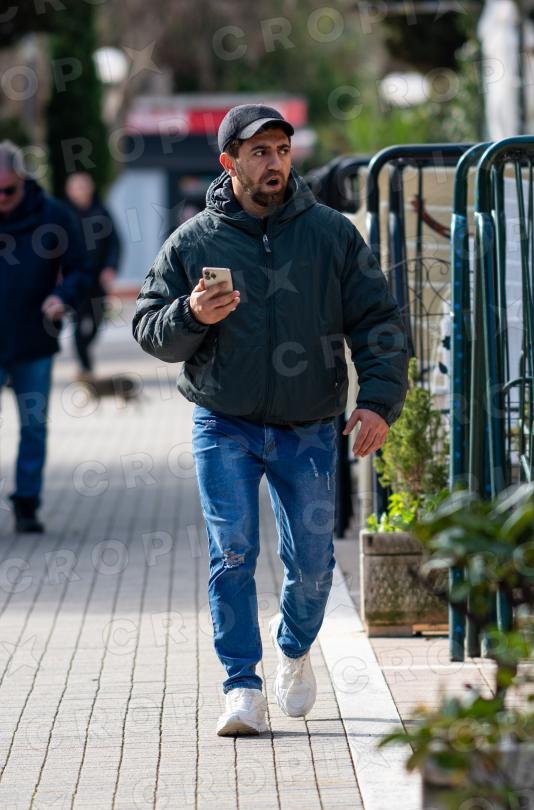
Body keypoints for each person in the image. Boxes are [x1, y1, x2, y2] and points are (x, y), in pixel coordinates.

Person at [133, 104, 408, 737]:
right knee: (232, 552)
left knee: (312, 564)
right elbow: (149, 328)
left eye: (281, 149)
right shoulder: (193, 241)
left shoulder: (331, 234)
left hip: (309, 425)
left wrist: (376, 401)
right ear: (228, 162)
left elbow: (379, 321)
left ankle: (293, 646)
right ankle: (241, 686)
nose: (273, 162)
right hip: (223, 423)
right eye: (258, 152)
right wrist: (191, 315)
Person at [0, 141, 91, 533]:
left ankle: (26, 504)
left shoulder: (53, 215)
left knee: (33, 426)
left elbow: (82, 267)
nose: (1, 199)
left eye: (7, 191)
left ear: (22, 180)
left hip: (34, 339)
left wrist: (62, 296)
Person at [64, 171, 121, 381]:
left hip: (97, 279)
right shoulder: (63, 215)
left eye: (84, 186)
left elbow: (115, 243)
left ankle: (84, 357)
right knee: (78, 323)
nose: (81, 190)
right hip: (74, 279)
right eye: (77, 187)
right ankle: (85, 367)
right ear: (69, 191)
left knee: (97, 321)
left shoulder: (102, 212)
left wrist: (110, 267)